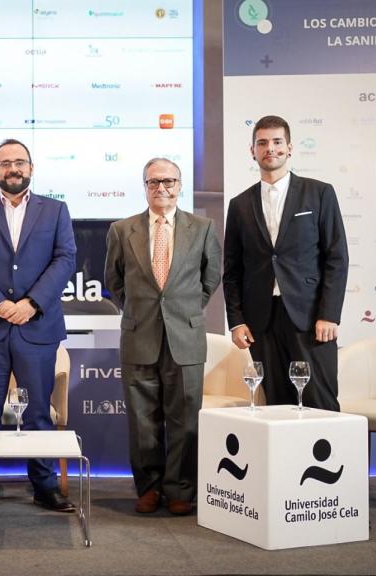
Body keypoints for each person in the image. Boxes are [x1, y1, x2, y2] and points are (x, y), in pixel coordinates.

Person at [0, 138, 77, 514]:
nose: (13, 169)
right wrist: (0, 304)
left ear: (32, 168)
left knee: (38, 412)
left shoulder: (55, 210)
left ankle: (45, 487)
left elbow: (65, 257)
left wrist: (31, 303)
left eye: (20, 162)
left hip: (37, 325)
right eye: (5, 163)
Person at [104, 158, 221, 516]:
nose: (162, 188)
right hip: (140, 335)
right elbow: (114, 281)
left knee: (185, 418)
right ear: (145, 187)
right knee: (142, 420)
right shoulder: (122, 230)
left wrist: (181, 310)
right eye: (153, 183)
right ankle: (150, 488)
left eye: (168, 181)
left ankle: (181, 489)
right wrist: (143, 312)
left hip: (184, 337)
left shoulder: (202, 227)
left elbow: (210, 278)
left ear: (180, 185)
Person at [223, 115, 348, 412]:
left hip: (310, 318)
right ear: (252, 151)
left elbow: (337, 257)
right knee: (277, 404)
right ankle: (285, 461)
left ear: (290, 148)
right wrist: (237, 320)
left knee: (320, 401)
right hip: (261, 321)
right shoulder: (239, 205)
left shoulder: (319, 193)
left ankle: (332, 460)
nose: (270, 148)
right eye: (262, 143)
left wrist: (329, 314)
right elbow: (232, 270)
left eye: (277, 142)